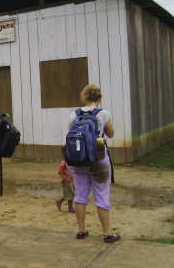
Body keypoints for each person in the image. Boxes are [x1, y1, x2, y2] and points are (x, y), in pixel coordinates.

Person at [69, 84, 120, 243]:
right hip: (98, 160)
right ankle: (107, 233)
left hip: (78, 160)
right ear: (99, 98)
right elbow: (110, 134)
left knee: (80, 196)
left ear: (84, 96)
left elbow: (70, 135)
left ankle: (81, 230)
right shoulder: (103, 114)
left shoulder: (74, 114)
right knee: (102, 196)